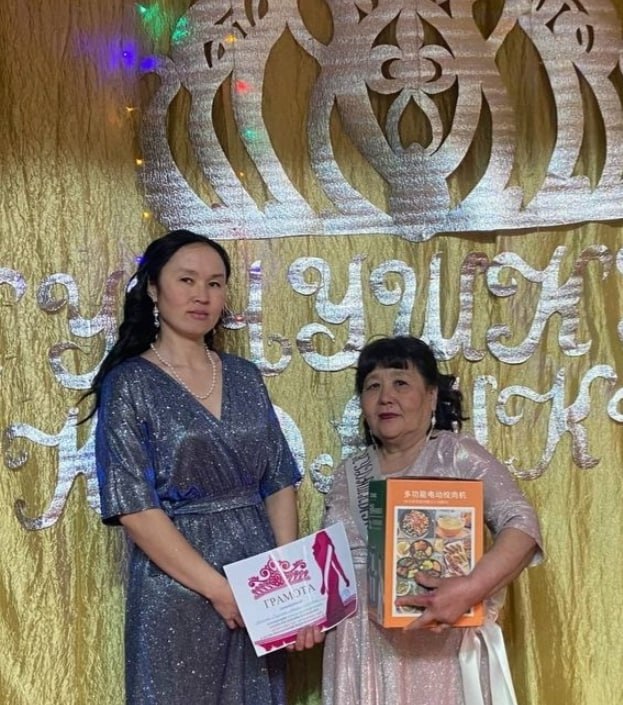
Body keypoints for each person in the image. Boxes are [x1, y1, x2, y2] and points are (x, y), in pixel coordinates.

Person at [89, 229, 304, 705]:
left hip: (258, 578)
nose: (201, 295)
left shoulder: (245, 375)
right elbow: (135, 508)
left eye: (215, 283)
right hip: (178, 586)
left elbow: (278, 480)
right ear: (153, 289)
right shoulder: (129, 384)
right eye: (186, 280)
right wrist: (219, 590)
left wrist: (285, 578)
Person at [322, 335, 543, 705]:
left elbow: (521, 523)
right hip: (358, 649)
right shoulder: (348, 474)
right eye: (372, 386)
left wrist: (471, 588)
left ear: (430, 396)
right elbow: (327, 569)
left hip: (438, 649)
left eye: (400, 383)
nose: (385, 397)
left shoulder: (457, 455)